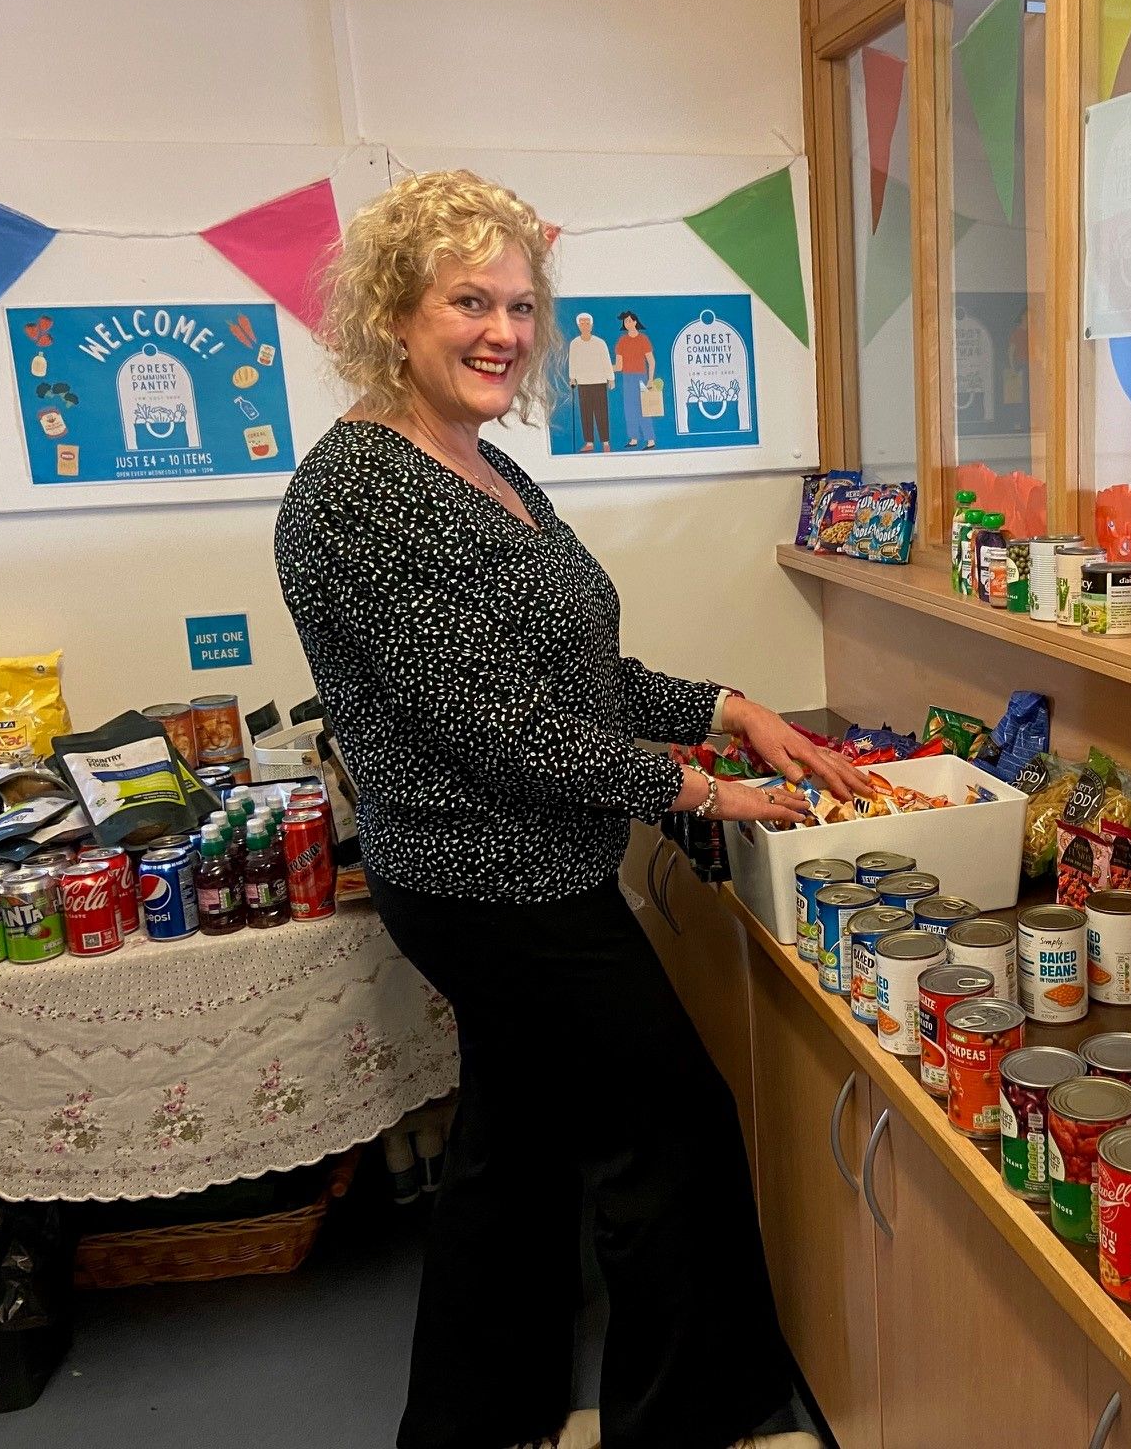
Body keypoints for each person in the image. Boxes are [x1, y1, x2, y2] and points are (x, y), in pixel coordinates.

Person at [275, 168, 857, 1449]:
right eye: (469, 302)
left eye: (521, 305)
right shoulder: (360, 492)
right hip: (491, 884)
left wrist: (730, 706)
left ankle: (476, 1418)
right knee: (673, 1130)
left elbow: (576, 675)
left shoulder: (483, 464)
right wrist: (700, 788)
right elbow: (498, 727)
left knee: (514, 1143)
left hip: (528, 865)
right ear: (393, 314)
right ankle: (681, 1421)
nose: (504, 331)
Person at [566, 311, 614, 452]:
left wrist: (611, 378)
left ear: (591, 325)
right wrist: (572, 377)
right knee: (586, 413)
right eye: (582, 323)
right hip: (583, 383)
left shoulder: (600, 343)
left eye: (587, 323)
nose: (585, 325)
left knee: (601, 413)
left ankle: (605, 442)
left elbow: (606, 360)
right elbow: (572, 362)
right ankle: (589, 443)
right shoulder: (574, 343)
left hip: (599, 382)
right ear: (578, 325)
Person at [614, 310, 659, 450]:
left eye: (629, 320)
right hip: (627, 378)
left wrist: (650, 380)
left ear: (635, 322)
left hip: (641, 377)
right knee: (629, 409)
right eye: (625, 321)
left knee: (644, 409)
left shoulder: (643, 339)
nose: (627, 323)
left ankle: (650, 440)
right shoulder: (622, 341)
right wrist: (604, 369)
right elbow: (619, 366)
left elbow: (651, 362)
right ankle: (633, 439)